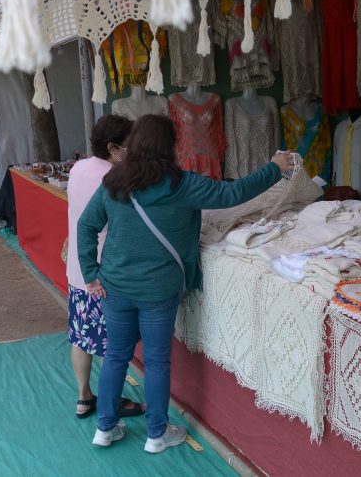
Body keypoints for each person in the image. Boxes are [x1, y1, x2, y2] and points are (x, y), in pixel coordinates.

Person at [78, 114, 293, 452]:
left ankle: (104, 428)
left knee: (116, 355)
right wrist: (275, 167)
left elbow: (85, 227)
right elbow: (235, 192)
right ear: (170, 146)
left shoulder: (113, 182)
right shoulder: (182, 184)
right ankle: (156, 435)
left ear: (134, 143)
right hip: (159, 291)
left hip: (115, 287)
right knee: (157, 361)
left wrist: (91, 273)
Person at [64, 114, 141, 420]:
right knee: (115, 345)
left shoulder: (78, 168)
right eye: (128, 145)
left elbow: (75, 211)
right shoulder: (117, 176)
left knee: (81, 336)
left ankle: (84, 397)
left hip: (78, 268)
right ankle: (112, 402)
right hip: (105, 273)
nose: (132, 150)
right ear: (112, 147)